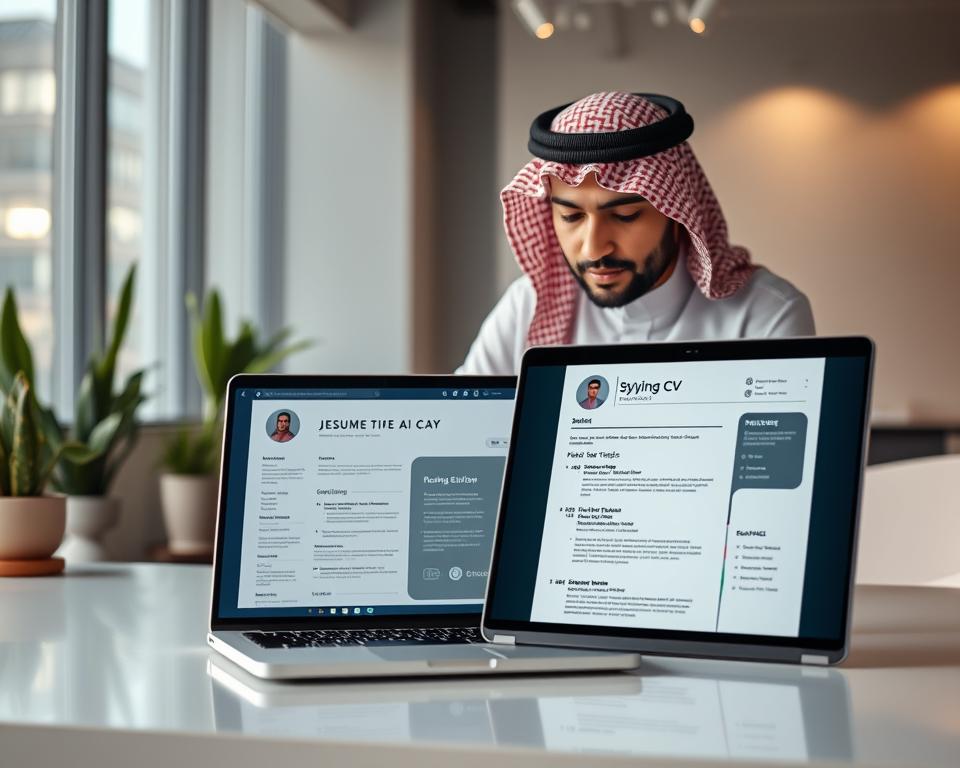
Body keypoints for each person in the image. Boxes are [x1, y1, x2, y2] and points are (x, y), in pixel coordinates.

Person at [458, 92, 815, 375]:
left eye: (626, 215)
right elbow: (466, 427)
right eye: (570, 216)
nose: (594, 247)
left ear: (677, 212)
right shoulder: (527, 304)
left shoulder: (765, 316)